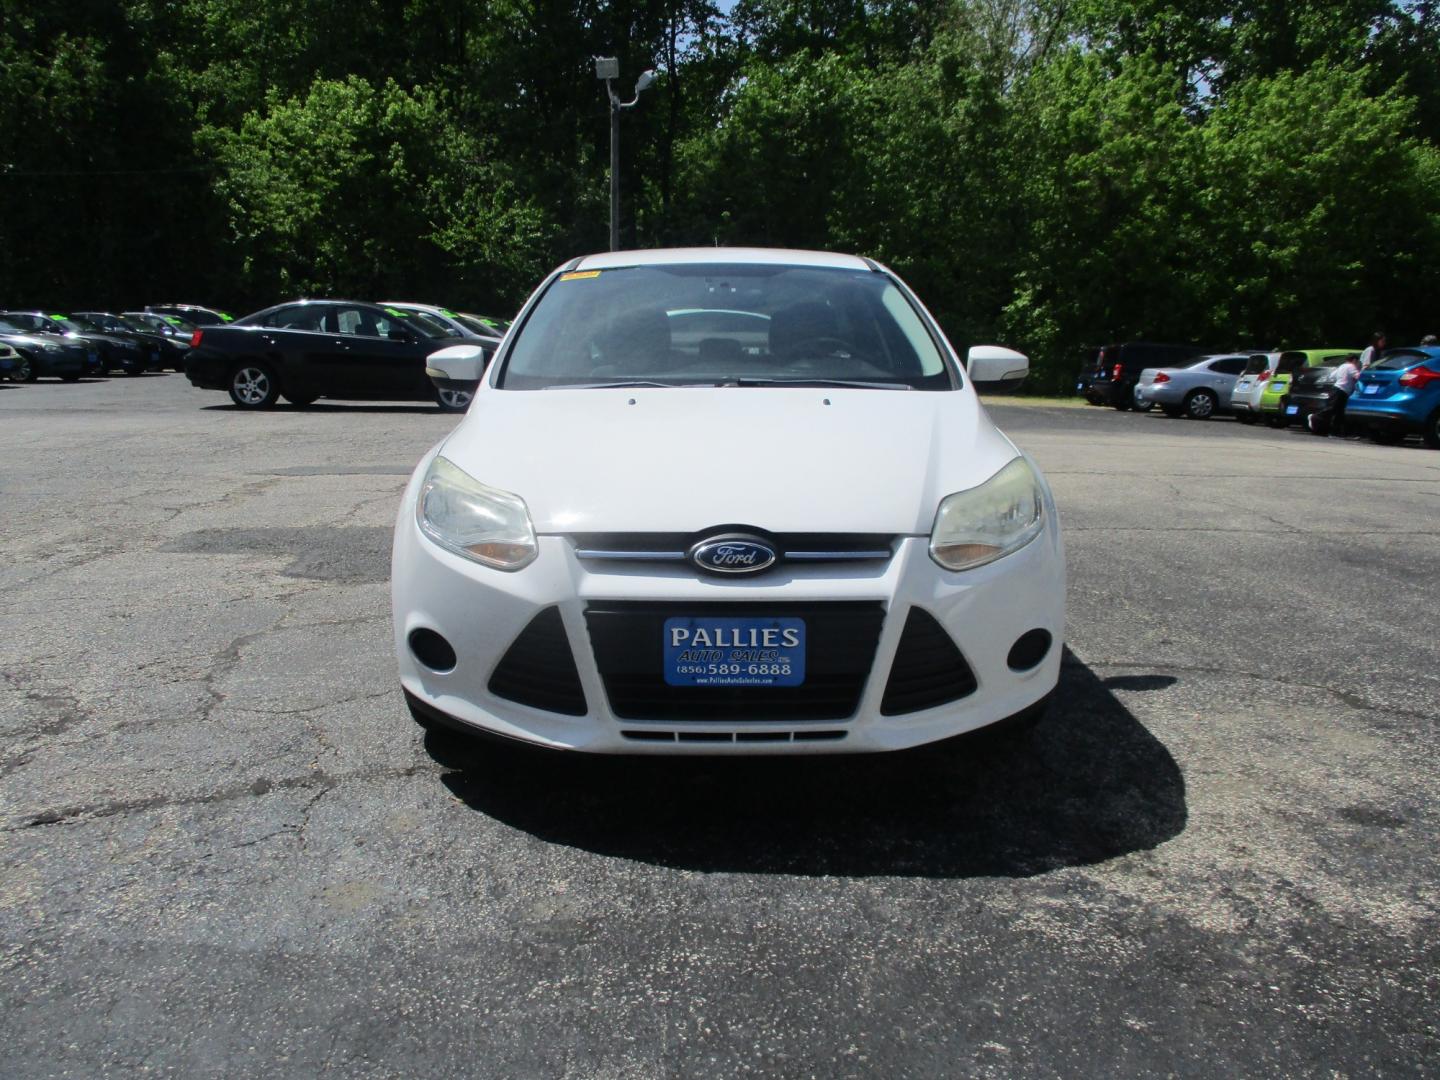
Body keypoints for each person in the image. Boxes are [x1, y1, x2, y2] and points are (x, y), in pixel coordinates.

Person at [1327, 352, 1363, 437]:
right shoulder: (1351, 366)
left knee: (1337, 411)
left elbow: (1332, 376)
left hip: (1336, 388)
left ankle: (1336, 432)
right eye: (1357, 362)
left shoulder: (1342, 366)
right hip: (1343, 391)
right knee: (1338, 411)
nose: (1357, 364)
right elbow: (1357, 376)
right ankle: (1317, 418)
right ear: (1354, 360)